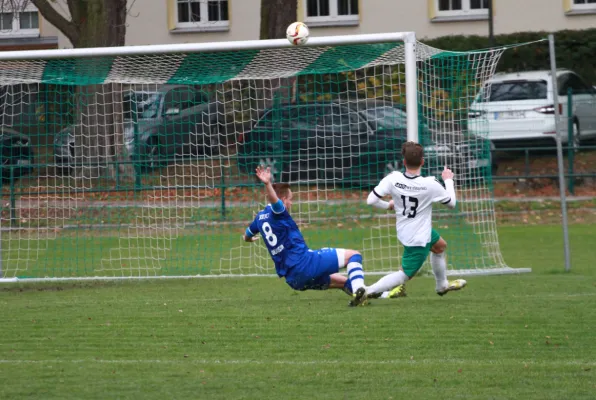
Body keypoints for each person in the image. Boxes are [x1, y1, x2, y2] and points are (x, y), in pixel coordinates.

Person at [355, 141, 467, 304]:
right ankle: (367, 291)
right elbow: (451, 203)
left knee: (439, 246)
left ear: (404, 162)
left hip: (407, 230)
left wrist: (388, 206)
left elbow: (371, 200)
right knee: (404, 274)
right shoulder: (430, 183)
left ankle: (441, 285)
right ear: (422, 161)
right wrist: (448, 180)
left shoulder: (393, 178)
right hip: (418, 237)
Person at [242, 165, 368, 306]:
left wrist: (249, 239)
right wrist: (267, 184)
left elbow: (247, 234)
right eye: (290, 199)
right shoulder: (279, 212)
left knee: (343, 281)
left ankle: (374, 295)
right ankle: (359, 289)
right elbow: (274, 201)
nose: (291, 203)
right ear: (283, 200)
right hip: (306, 264)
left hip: (294, 280)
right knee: (354, 255)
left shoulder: (259, 218)